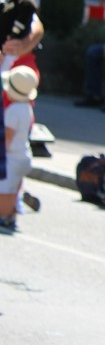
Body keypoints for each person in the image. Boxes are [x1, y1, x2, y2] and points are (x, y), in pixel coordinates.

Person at [0, 66, 38, 231]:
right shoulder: (26, 108)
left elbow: (8, 136)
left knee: (5, 190)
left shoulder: (12, 111)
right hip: (24, 156)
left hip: (12, 157)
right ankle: (13, 212)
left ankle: (5, 215)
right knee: (15, 188)